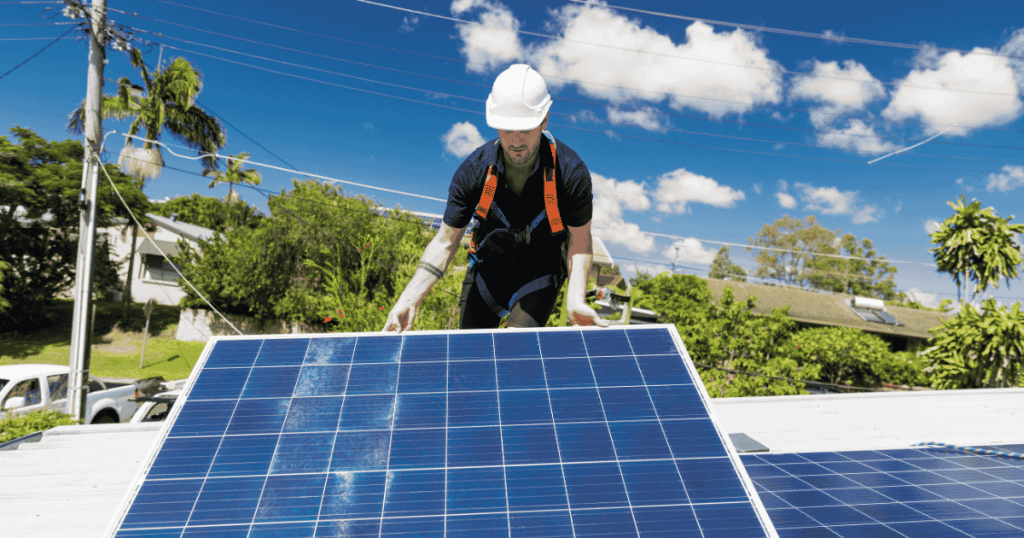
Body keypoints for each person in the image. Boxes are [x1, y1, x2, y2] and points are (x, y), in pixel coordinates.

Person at [383, 64, 608, 332]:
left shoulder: (570, 171)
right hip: (487, 274)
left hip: (540, 275)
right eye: (507, 128)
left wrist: (575, 300)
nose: (515, 141)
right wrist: (409, 300)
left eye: (525, 128)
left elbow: (581, 239)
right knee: (471, 355)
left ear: (544, 119)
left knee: (514, 349)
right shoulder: (474, 171)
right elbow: (445, 241)